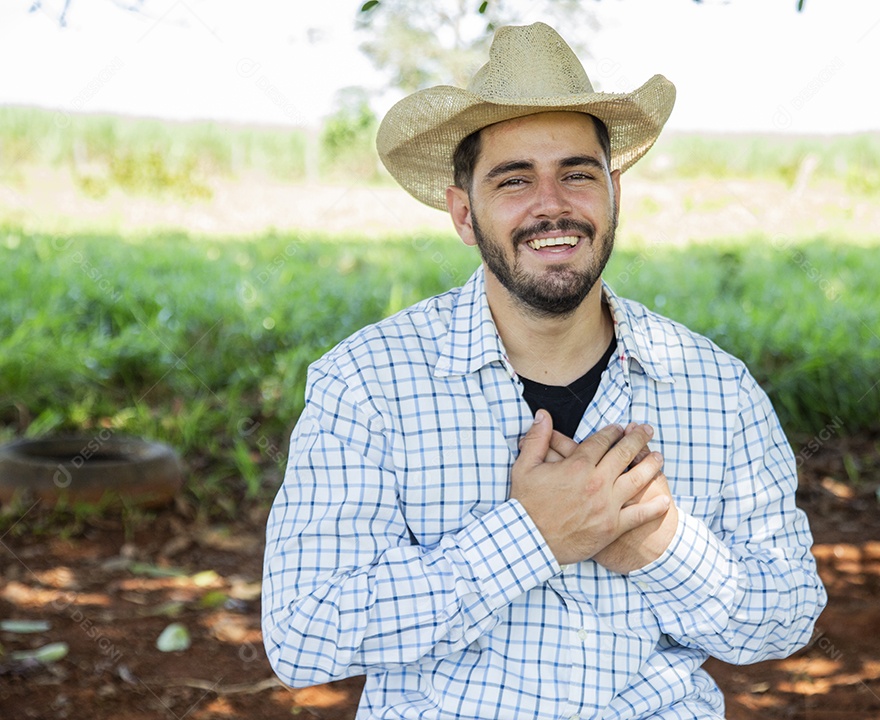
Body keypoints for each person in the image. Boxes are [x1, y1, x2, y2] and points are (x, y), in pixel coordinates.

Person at [262, 22, 826, 719]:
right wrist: (533, 537)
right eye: (515, 180)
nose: (552, 204)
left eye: (578, 174)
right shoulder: (368, 383)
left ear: (614, 192)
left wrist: (662, 544)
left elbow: (787, 617)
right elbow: (304, 635)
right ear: (464, 213)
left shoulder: (715, 387)